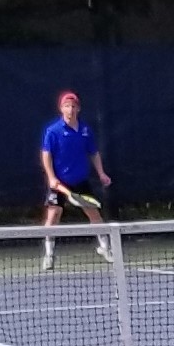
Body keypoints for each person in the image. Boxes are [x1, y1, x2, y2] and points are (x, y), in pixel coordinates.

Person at [38, 90, 113, 271]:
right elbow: (46, 155)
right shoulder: (53, 131)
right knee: (53, 215)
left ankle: (105, 248)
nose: (70, 109)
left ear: (78, 109)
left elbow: (93, 153)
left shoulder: (85, 130)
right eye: (67, 106)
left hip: (80, 181)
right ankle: (49, 254)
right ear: (61, 108)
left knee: (94, 214)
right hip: (59, 183)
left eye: (73, 106)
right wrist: (51, 177)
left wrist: (101, 173)